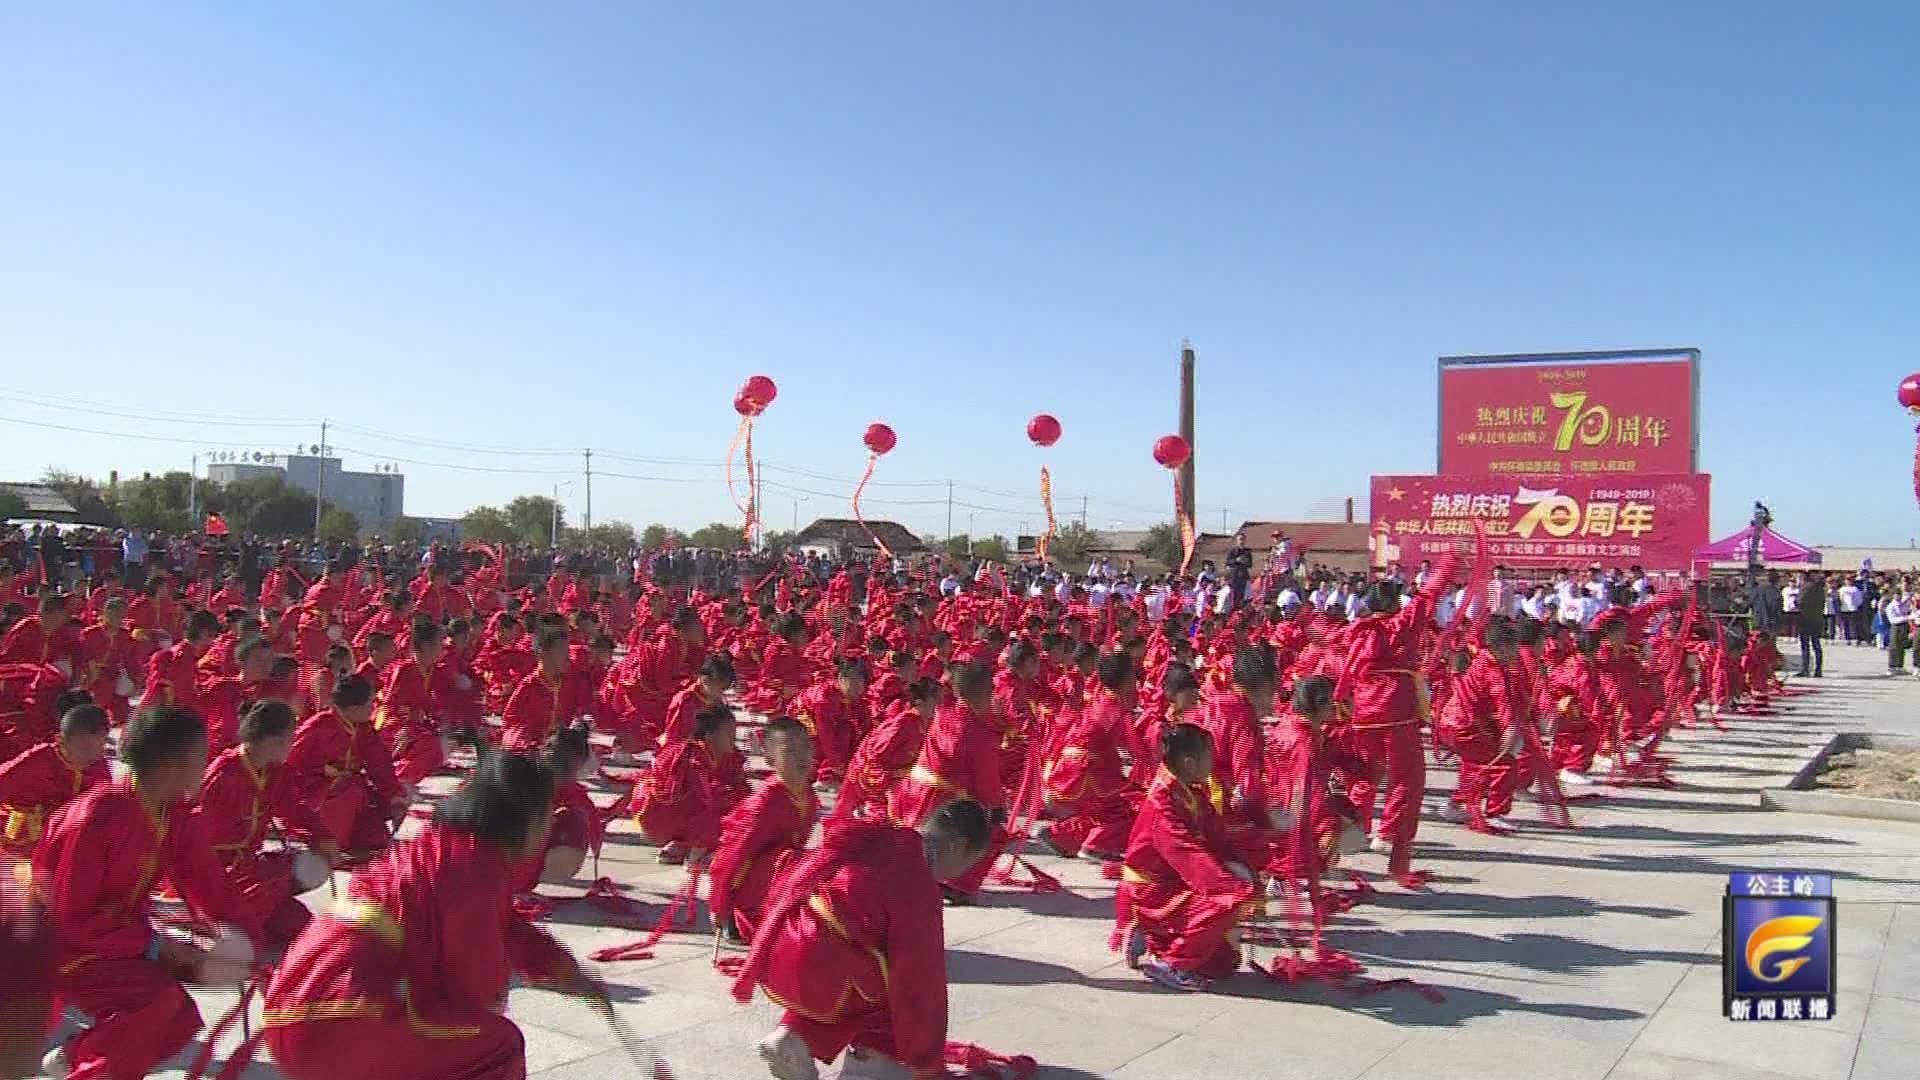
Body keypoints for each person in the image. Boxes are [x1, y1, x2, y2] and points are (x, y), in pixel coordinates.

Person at [260, 750, 601, 1079]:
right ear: (526, 818)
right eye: (547, 815)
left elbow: (507, 928)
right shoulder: (476, 868)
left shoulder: (448, 848)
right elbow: (476, 982)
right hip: (346, 1018)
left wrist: (563, 969)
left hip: (294, 1010)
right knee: (497, 1045)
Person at [34, 704, 263, 1080]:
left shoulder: (171, 815)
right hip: (59, 946)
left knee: (176, 1017)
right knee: (155, 1004)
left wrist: (252, 947)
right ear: (173, 763)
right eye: (200, 756)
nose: (206, 764)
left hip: (114, 939)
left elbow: (214, 889)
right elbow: (67, 918)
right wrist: (153, 945)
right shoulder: (96, 818)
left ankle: (78, 1057)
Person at [738, 798, 991, 1080]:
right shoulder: (917, 882)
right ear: (957, 847)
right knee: (895, 994)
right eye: (970, 863)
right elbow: (920, 978)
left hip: (785, 947)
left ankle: (791, 1036)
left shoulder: (884, 839)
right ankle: (870, 1064)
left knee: (860, 971)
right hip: (825, 967)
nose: (962, 875)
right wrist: (927, 1061)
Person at [1113, 723, 1258, 992]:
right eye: (1210, 756)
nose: (1214, 762)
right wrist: (1231, 886)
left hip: (1171, 881)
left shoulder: (1189, 792)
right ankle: (1172, 965)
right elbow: (1187, 853)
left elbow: (1217, 837)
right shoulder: (1163, 803)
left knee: (1223, 965)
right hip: (1151, 888)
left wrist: (1244, 869)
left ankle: (1149, 932)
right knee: (1226, 902)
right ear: (1190, 763)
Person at [193, 700, 340, 953]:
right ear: (274, 741)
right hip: (216, 873)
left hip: (251, 869)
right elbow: (195, 843)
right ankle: (226, 921)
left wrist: (323, 837)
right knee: (271, 885)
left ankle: (252, 917)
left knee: (302, 921)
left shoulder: (275, 773)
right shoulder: (223, 775)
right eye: (290, 738)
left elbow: (294, 809)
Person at [887, 662, 1008, 904]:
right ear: (985, 694)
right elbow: (986, 782)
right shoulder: (978, 733)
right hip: (943, 800)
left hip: (913, 792)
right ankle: (958, 884)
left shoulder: (943, 714)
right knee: (995, 834)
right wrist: (997, 808)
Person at [708, 717, 818, 947]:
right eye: (790, 751)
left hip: (781, 880)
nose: (802, 757)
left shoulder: (808, 796)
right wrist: (720, 908)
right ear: (770, 759)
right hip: (755, 895)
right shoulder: (762, 805)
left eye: (807, 747)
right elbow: (732, 858)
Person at [284, 674, 410, 856]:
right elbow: (289, 763)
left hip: (349, 790)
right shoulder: (319, 726)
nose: (373, 708)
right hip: (315, 795)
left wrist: (395, 796)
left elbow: (380, 764)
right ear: (352, 707)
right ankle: (329, 841)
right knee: (354, 790)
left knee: (376, 835)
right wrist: (322, 770)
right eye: (369, 704)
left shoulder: (363, 728)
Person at [630, 703, 747, 864]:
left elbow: (743, 789)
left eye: (734, 731)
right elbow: (710, 797)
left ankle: (681, 845)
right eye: (727, 732)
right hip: (659, 817)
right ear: (708, 736)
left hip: (684, 814)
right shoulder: (692, 757)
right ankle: (699, 852)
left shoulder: (730, 756)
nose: (733, 736)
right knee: (728, 807)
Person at [0, 702, 110, 859]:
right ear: (61, 739)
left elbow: (107, 805)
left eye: (100, 746)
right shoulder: (37, 761)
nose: (89, 757)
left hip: (69, 843)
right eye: (83, 749)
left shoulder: (99, 765)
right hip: (22, 845)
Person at [1796, 572, 1826, 678]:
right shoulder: (1820, 589)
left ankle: (1805, 669)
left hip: (1806, 619)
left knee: (1805, 645)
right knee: (1816, 644)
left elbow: (1799, 602)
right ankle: (1818, 669)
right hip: (1817, 619)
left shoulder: (1805, 588)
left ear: (1802, 578)